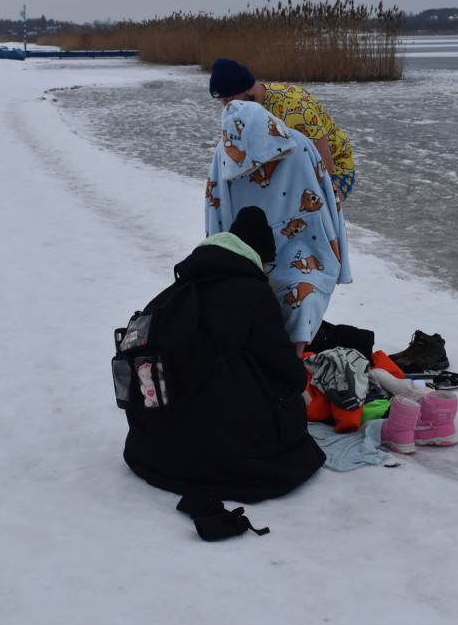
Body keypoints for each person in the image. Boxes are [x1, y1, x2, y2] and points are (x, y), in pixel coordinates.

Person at [123, 206, 326, 504]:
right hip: (222, 453)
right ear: (259, 258)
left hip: (150, 446)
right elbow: (283, 365)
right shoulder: (254, 292)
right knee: (283, 403)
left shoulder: (178, 289)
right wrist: (298, 388)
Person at [205, 99, 352, 356]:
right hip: (247, 250)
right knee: (236, 298)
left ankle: (293, 360)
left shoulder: (299, 144)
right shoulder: (224, 155)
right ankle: (257, 358)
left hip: (302, 245)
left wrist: (336, 249)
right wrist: (218, 257)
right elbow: (215, 206)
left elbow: (327, 201)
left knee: (302, 299)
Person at [209, 58, 356, 203]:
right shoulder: (245, 110)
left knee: (312, 207)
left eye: (230, 99)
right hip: (294, 163)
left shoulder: (297, 110)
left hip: (337, 167)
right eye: (222, 102)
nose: (228, 107)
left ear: (246, 87)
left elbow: (326, 166)